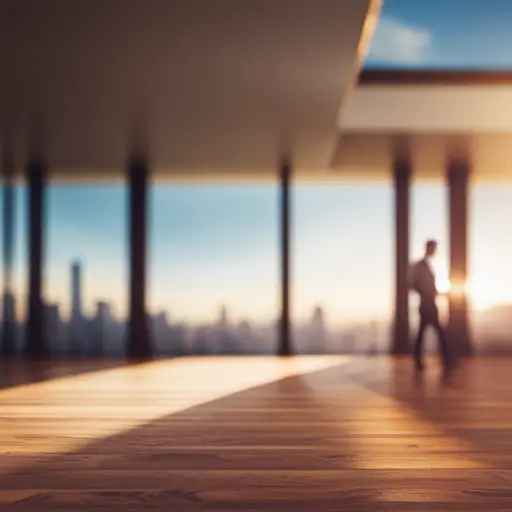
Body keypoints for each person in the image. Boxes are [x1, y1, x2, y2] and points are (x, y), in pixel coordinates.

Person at [409, 240, 452, 372]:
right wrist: (426, 294)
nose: (434, 251)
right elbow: (413, 284)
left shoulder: (424, 265)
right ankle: (447, 360)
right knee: (439, 332)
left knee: (424, 332)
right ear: (428, 248)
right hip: (427, 304)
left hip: (428, 302)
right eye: (433, 248)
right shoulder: (421, 266)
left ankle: (419, 360)